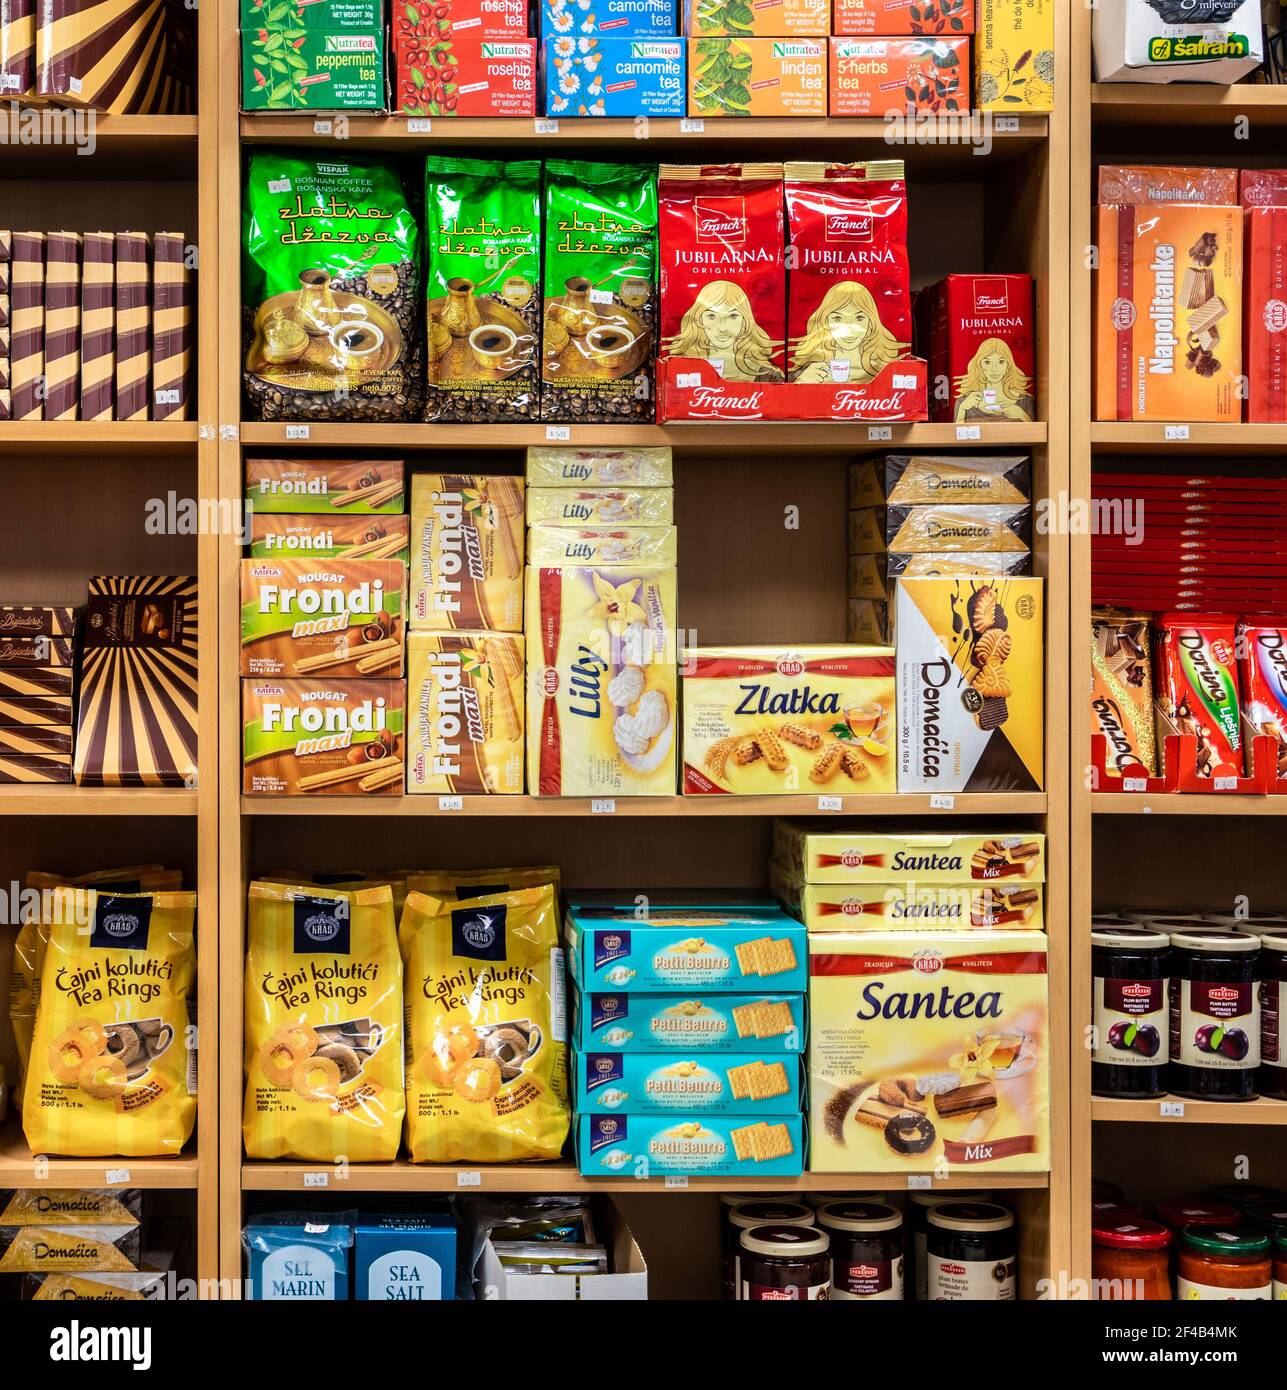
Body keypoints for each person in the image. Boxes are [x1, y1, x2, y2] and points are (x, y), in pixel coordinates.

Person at [664, 280, 784, 382]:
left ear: (745, 320)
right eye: (711, 316)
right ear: (699, 319)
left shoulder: (768, 374)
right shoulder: (676, 368)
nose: (722, 328)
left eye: (733, 317)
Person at [788, 281, 906, 384]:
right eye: (837, 318)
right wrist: (801, 383)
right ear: (825, 321)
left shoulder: (885, 368)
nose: (849, 329)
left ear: (871, 322)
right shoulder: (807, 369)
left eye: (859, 318)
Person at [953, 336, 1035, 422]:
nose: (994, 369)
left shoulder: (1025, 401)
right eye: (987, 362)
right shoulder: (964, 402)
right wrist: (962, 409)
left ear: (1008, 365)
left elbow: (1037, 433)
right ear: (979, 365)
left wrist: (1021, 414)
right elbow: (954, 434)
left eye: (1001, 362)